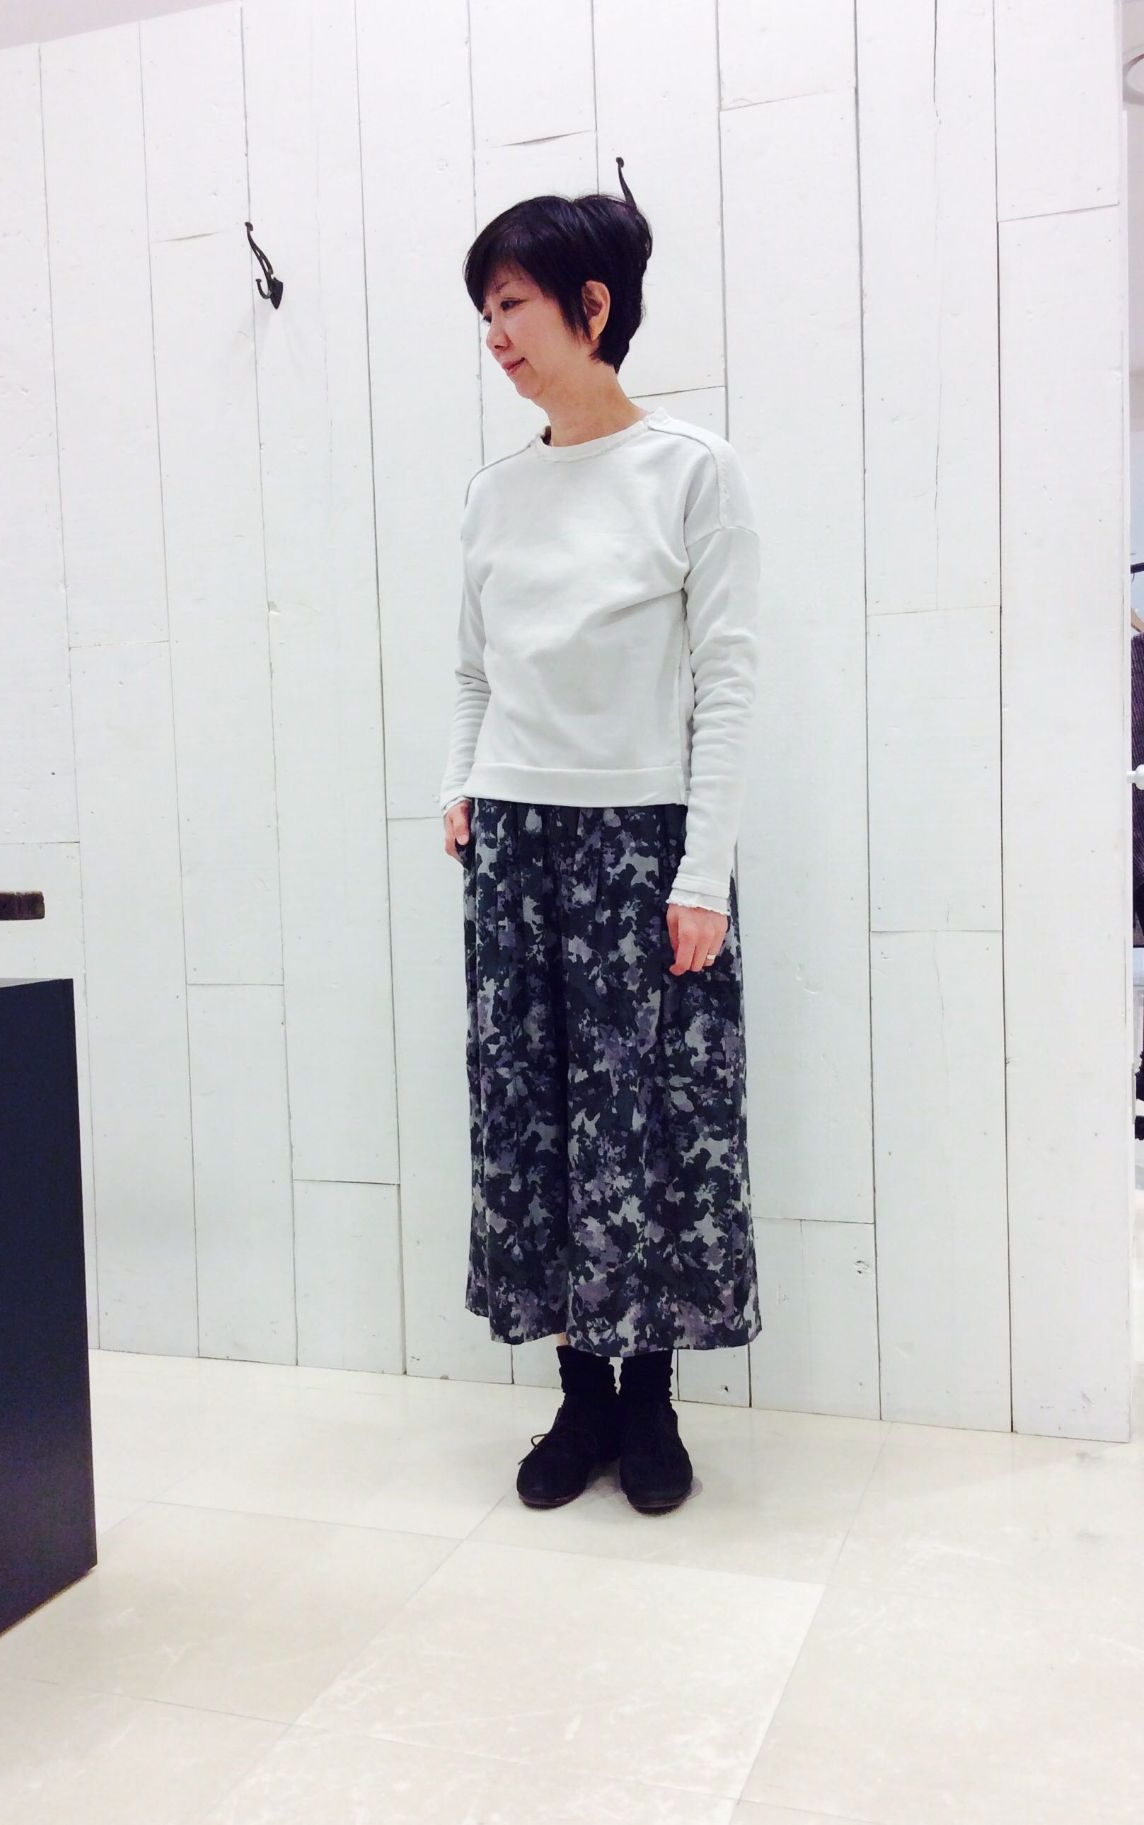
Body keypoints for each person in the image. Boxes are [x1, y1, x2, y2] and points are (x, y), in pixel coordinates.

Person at [438, 166, 762, 1517]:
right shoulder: (493, 494)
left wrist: (704, 873)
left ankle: (651, 1402)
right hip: (517, 845)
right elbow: (475, 671)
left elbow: (728, 683)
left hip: (646, 843)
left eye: (511, 307)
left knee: (654, 1127)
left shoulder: (693, 471)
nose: (495, 337)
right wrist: (462, 785)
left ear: (591, 304)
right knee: (538, 1117)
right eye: (484, 314)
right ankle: (579, 1398)